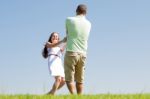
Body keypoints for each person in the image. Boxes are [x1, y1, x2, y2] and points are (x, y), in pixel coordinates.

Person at [46, 4, 91, 94]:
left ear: (76, 11)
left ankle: (73, 96)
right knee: (80, 80)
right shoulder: (89, 24)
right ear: (86, 13)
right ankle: (79, 97)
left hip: (71, 52)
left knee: (69, 78)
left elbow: (68, 34)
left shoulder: (69, 20)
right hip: (83, 54)